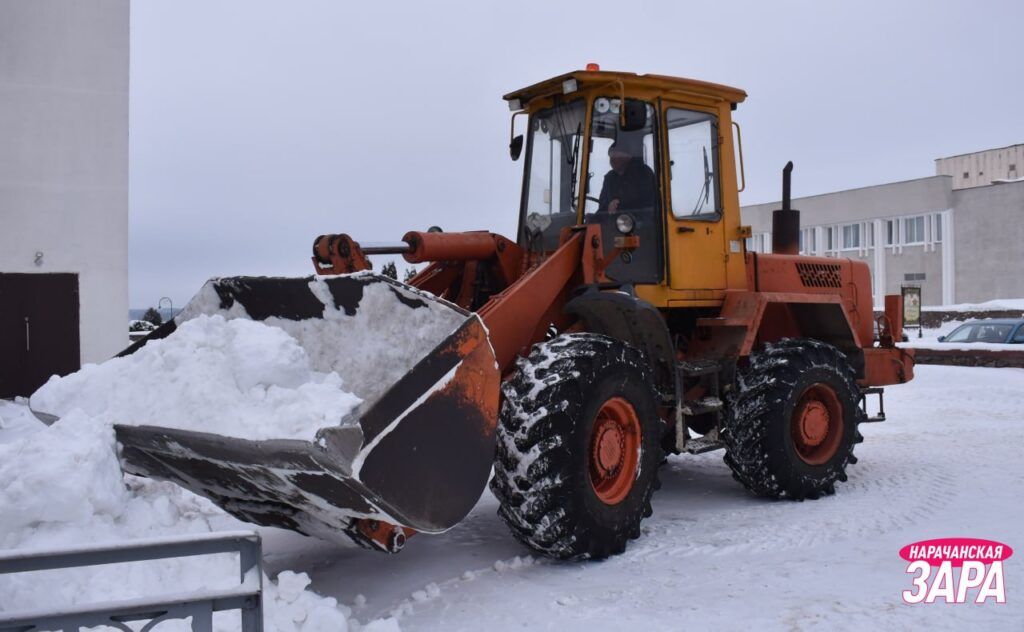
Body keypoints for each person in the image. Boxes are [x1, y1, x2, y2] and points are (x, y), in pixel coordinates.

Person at [597, 137, 656, 213]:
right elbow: (603, 203)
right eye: (610, 156)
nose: (612, 160)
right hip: (613, 218)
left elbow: (645, 200)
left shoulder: (643, 172)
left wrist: (618, 202)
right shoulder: (609, 177)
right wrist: (597, 215)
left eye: (616, 155)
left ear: (628, 156)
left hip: (639, 218)